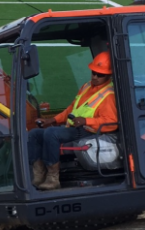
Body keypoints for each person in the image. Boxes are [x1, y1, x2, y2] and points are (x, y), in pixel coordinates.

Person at [28, 52, 118, 191]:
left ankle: (53, 178)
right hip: (74, 129)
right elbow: (72, 108)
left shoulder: (109, 95)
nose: (95, 77)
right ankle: (39, 174)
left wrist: (86, 121)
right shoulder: (86, 86)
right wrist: (52, 120)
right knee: (34, 133)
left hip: (89, 133)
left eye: (100, 75)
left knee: (52, 133)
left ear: (109, 75)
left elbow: (111, 121)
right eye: (94, 72)